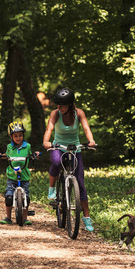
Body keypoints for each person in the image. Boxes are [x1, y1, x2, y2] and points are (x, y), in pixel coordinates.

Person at [43, 87, 96, 231]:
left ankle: (86, 218)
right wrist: (46, 141)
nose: (59, 108)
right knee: (55, 162)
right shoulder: (55, 114)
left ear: (70, 105)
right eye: (58, 105)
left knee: (80, 182)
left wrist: (90, 140)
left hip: (75, 148)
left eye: (62, 105)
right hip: (58, 146)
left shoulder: (79, 113)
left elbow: (86, 128)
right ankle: (52, 188)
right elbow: (49, 129)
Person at [0, 121, 40, 225]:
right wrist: (0, 155)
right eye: (15, 136)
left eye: (20, 135)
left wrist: (35, 155)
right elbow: (7, 155)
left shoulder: (27, 146)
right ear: (11, 137)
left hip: (24, 176)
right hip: (12, 176)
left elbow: (31, 155)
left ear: (23, 135)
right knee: (9, 197)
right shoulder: (9, 147)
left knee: (27, 197)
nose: (18, 138)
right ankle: (8, 217)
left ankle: (24, 218)